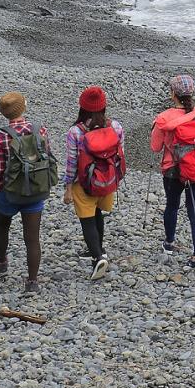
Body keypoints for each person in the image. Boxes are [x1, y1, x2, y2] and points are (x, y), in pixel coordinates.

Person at [0, 91, 57, 294]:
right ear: (24, 107)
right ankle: (32, 282)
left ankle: (2, 262)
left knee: (2, 226)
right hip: (35, 190)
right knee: (32, 238)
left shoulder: (1, 135)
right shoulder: (40, 129)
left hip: (9, 192)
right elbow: (47, 157)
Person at [151, 74, 195, 270]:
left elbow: (155, 147)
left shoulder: (164, 118)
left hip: (173, 170)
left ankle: (169, 244)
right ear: (192, 92)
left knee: (172, 206)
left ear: (173, 94)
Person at [63, 85, 126, 280]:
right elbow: (120, 155)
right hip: (106, 181)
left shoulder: (76, 131)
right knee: (98, 212)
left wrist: (67, 188)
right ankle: (100, 249)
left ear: (82, 107)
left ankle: (97, 257)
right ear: (104, 106)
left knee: (87, 220)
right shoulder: (115, 127)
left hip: (85, 183)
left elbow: (72, 163)